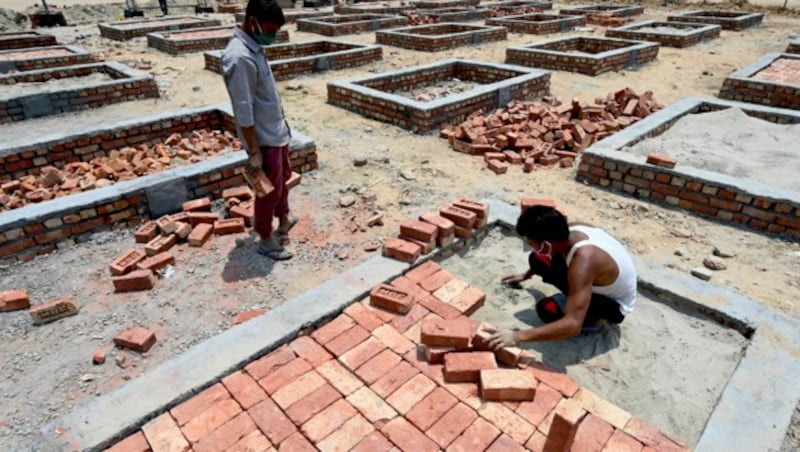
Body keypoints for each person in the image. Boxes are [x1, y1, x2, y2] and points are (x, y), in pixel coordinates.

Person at [486, 205, 637, 349]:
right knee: (537, 259)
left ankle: (596, 320)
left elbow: (572, 325)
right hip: (598, 278)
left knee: (546, 309)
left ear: (546, 245)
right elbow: (541, 257)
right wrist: (526, 275)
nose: (531, 247)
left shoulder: (583, 261)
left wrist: (516, 336)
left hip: (613, 305)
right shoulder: (568, 229)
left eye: (532, 243)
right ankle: (578, 299)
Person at [222, 0, 297, 261]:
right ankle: (265, 237)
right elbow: (244, 111)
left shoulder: (253, 48)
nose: (272, 35)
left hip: (276, 131)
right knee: (267, 189)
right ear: (252, 21)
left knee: (282, 178)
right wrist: (254, 151)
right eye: (270, 29)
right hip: (263, 139)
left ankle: (283, 219)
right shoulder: (239, 57)